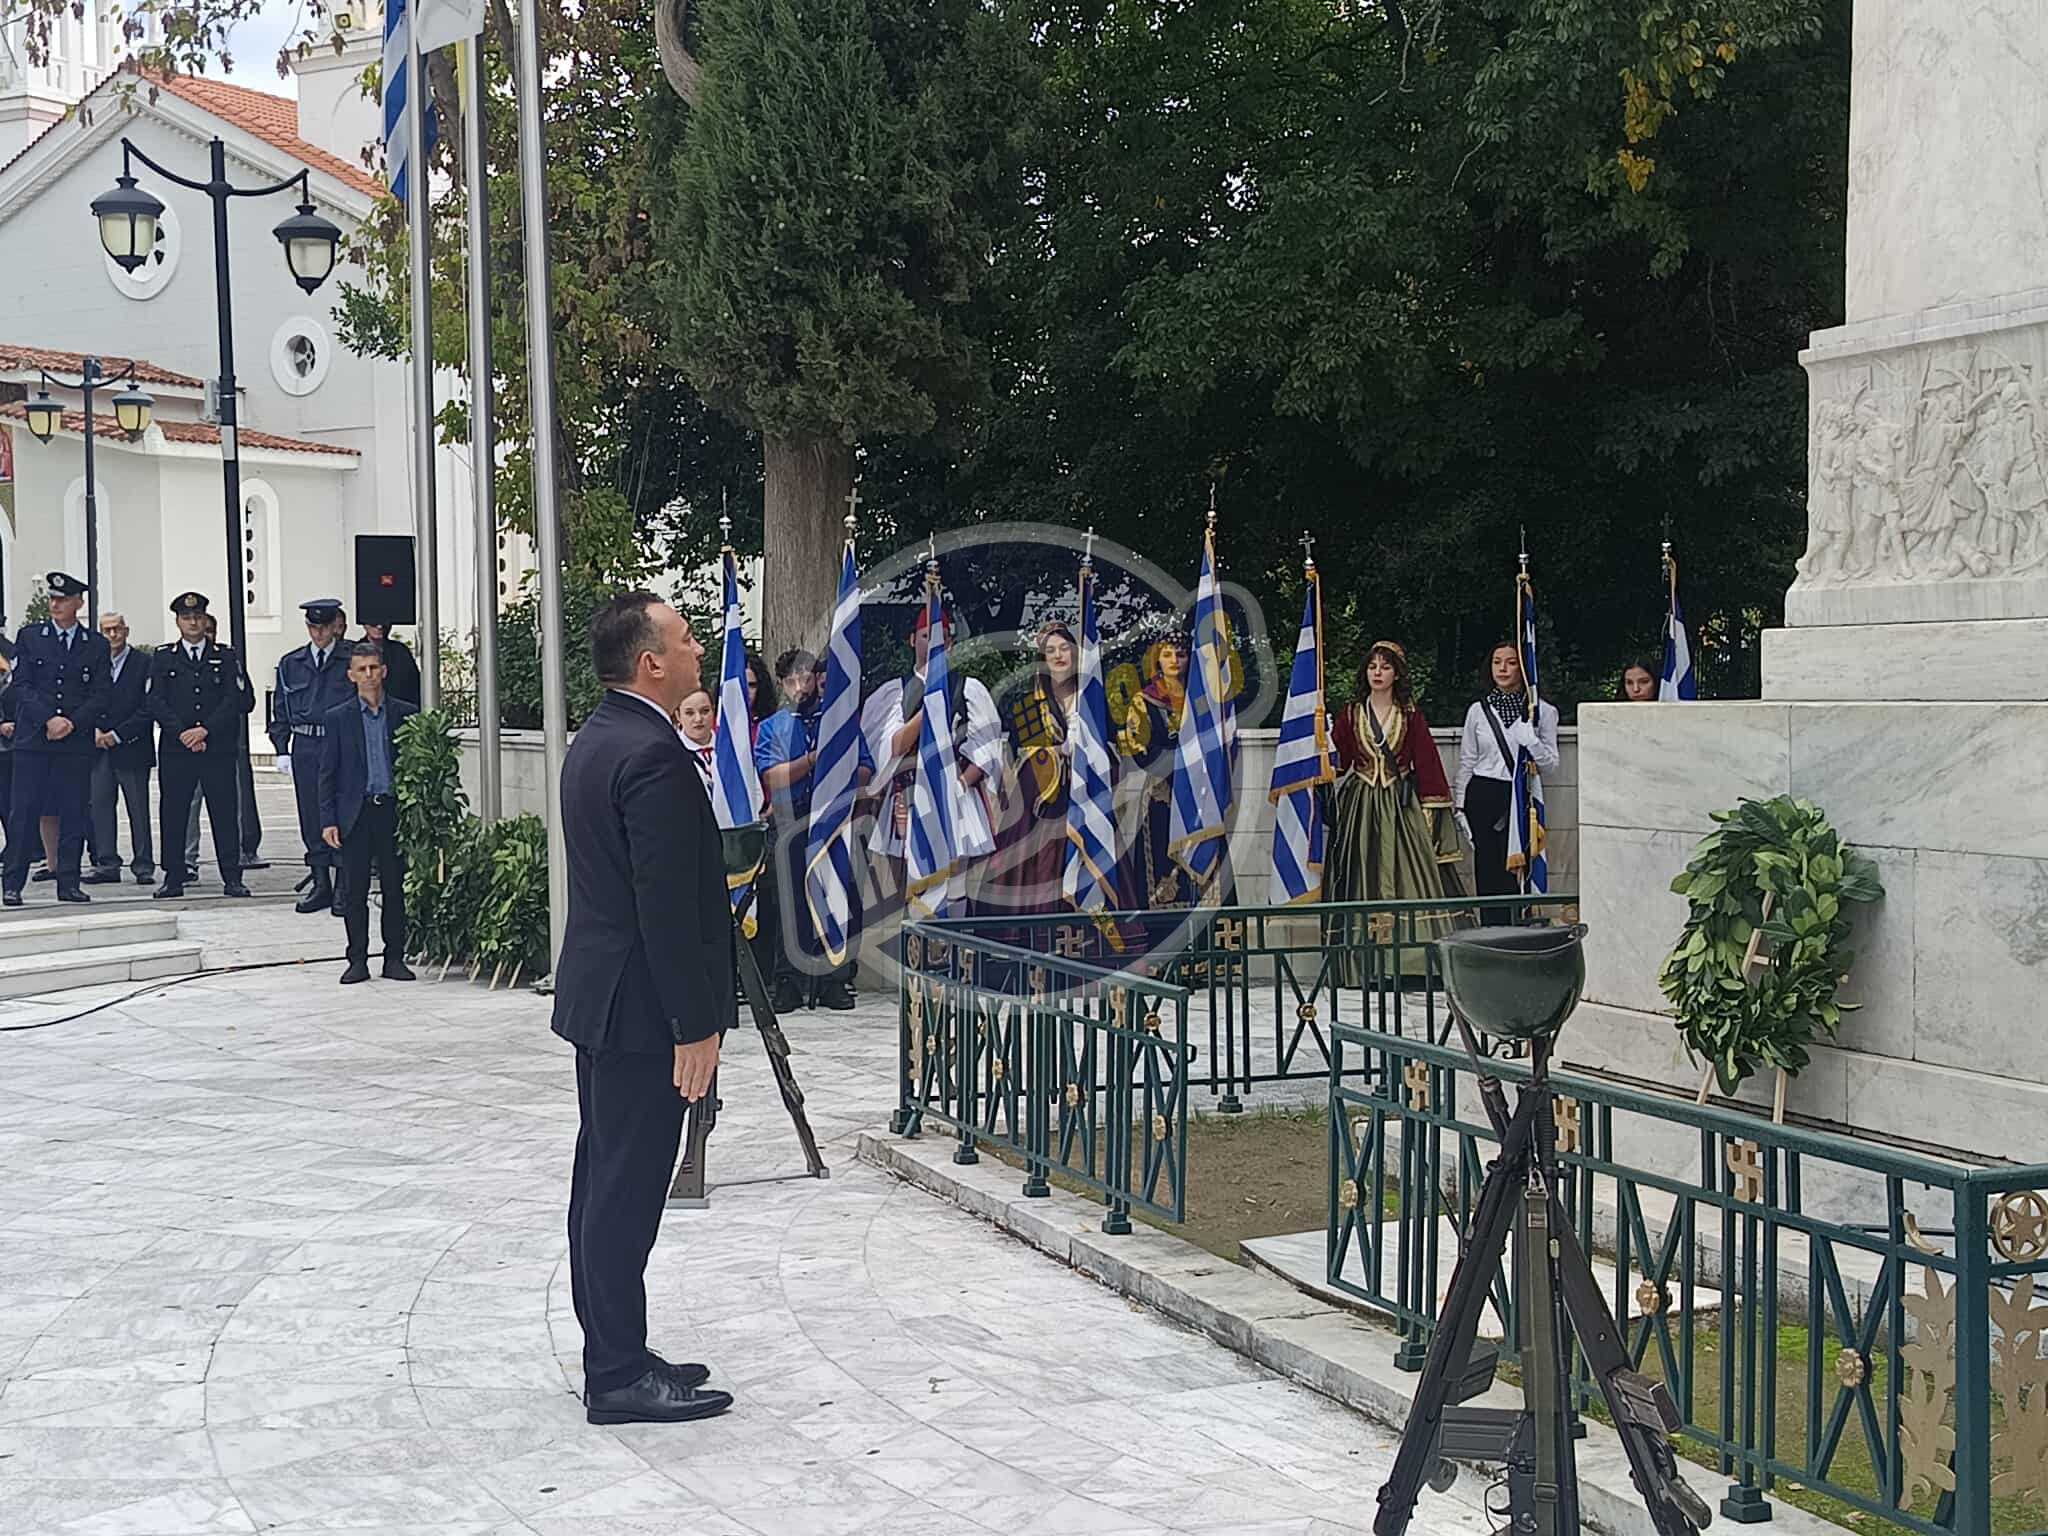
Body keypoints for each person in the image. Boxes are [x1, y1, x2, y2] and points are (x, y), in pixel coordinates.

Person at [553, 591, 734, 1427]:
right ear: (651, 662)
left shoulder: (602, 736)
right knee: (624, 1193)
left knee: (604, 1182)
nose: (699, 649)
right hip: (640, 1012)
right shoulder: (652, 755)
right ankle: (618, 1374)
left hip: (606, 997)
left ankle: (615, 1348)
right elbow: (665, 907)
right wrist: (694, 1025)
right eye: (686, 638)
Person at [860, 605, 1002, 918]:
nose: (933, 643)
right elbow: (892, 746)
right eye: (926, 636)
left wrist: (960, 784)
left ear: (950, 643)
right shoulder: (896, 691)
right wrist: (929, 710)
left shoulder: (966, 688)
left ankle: (953, 942)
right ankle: (917, 945)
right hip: (908, 796)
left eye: (941, 637)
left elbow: (985, 748)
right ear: (913, 640)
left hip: (956, 797)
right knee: (910, 883)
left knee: (955, 885)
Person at [1327, 642, 1462, 969]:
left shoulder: (1410, 715)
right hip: (1360, 804)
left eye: (1385, 667)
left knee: (1410, 877)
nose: (1377, 673)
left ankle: (1411, 960)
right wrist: (1320, 747)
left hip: (1400, 806)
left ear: (1397, 674)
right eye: (1372, 666)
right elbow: (1340, 762)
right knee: (1361, 873)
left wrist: (1431, 810)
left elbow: (1427, 764)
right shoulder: (1351, 713)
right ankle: (1363, 961)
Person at [756, 649, 871, 1011]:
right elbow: (771, 777)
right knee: (788, 899)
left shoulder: (838, 723)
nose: (800, 687)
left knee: (834, 893)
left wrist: (838, 769)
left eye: (806, 679)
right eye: (791, 681)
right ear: (782, 684)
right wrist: (812, 761)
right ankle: (788, 981)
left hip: (831, 817)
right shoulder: (773, 726)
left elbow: (865, 769)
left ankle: (834, 980)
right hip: (789, 818)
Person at [3, 572, 110, 906]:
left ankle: (69, 882)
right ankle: (13, 883)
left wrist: (71, 723)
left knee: (73, 811)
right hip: (35, 740)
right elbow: (22, 685)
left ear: (79, 603)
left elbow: (101, 693)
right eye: (52, 598)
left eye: (63, 599)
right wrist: (48, 719)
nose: (55, 604)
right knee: (24, 812)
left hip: (74, 742)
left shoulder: (95, 644)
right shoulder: (31, 637)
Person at [319, 641, 418, 985]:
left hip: (391, 811)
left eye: (374, 667)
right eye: (362, 669)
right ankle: (357, 959)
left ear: (384, 671)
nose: (369, 674)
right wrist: (328, 819)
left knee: (394, 888)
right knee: (355, 891)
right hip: (356, 813)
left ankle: (395, 958)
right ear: (351, 675)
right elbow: (327, 772)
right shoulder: (338, 718)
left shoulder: (405, 714)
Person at [151, 592, 254, 901]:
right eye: (187, 618)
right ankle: (173, 876)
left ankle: (232, 876)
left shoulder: (225, 657)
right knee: (174, 813)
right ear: (178, 622)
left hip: (216, 747)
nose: (193, 623)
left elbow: (235, 699)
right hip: (177, 749)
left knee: (224, 812)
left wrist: (205, 729)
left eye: (198, 617)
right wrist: (183, 732)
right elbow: (155, 700)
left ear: (206, 619)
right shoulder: (164, 657)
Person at [1455, 639, 1561, 900]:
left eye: (1511, 663)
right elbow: (1467, 760)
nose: (1502, 669)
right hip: (1484, 793)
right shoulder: (1478, 711)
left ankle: (1518, 923)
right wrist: (1459, 805)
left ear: (1523, 668)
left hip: (1521, 794)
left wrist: (1532, 742)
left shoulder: (1542, 712)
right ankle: (1491, 924)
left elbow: (1551, 765)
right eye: (1497, 662)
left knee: (1519, 872)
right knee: (1487, 869)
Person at [270, 600, 357, 914]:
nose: (319, 633)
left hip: (340, 744)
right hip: (306, 744)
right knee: (311, 814)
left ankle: (344, 885)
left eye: (324, 627)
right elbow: (281, 707)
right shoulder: (292, 662)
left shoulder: (351, 658)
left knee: (344, 813)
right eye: (313, 627)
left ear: (335, 626)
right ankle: (321, 883)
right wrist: (282, 748)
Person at [1117, 628, 1196, 912]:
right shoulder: (1143, 700)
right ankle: (1162, 928)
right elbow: (1139, 748)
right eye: (1167, 654)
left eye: (1181, 654)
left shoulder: (1200, 701)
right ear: (1157, 659)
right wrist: (1179, 762)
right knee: (1161, 857)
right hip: (1161, 793)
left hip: (1198, 793)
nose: (1174, 660)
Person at [82, 611, 156, 885]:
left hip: (131, 747)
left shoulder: (144, 663)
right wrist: (93, 730)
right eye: (107, 630)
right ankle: (107, 863)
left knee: (138, 809)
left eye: (117, 629)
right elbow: (83, 700)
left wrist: (117, 735)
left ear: (126, 630)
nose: (112, 634)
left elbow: (148, 707)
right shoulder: (92, 662)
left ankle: (143, 865)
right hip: (98, 747)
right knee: (100, 806)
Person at [361, 622, 421, 707]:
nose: (379, 626)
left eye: (384, 621)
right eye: (373, 623)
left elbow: (415, 686)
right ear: (364, 624)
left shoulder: (401, 651)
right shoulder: (353, 652)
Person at [674, 687, 716, 794]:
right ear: (678, 716)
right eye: (689, 713)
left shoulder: (729, 747)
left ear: (713, 710)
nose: (698, 719)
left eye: (705, 711)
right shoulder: (671, 752)